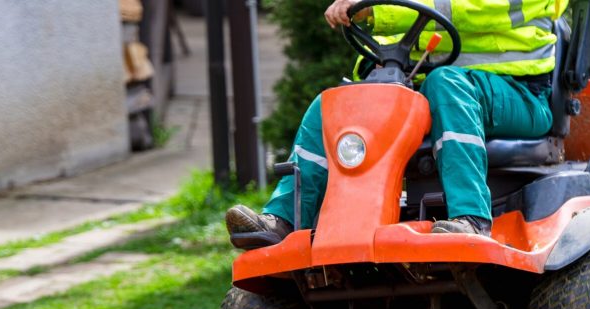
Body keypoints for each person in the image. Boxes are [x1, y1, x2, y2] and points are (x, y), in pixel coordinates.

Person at [226, 0, 569, 242]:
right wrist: (381, 68)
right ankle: (283, 219)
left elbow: (472, 11)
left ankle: (472, 219)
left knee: (445, 83)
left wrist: (380, 12)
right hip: (441, 91)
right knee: (337, 103)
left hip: (521, 93)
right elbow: (408, 32)